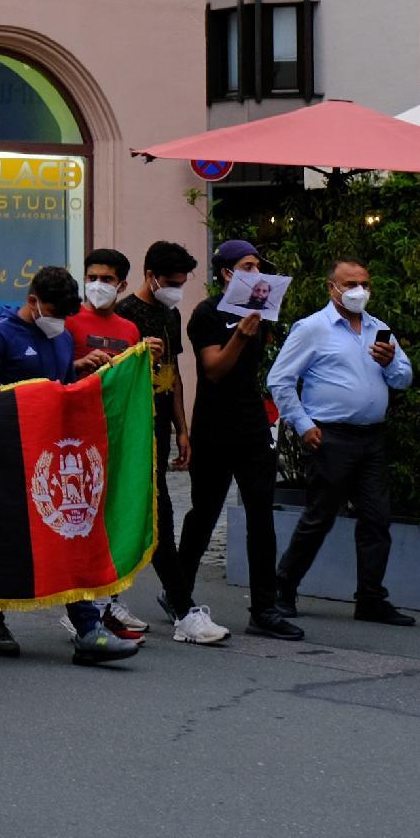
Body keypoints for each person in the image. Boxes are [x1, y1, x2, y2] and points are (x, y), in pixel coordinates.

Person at [0, 264, 135, 666]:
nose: (60, 323)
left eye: (65, 316)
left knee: (69, 532)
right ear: (33, 302)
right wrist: (38, 395)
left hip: (53, 455)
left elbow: (63, 386)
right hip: (8, 455)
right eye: (55, 313)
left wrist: (84, 376)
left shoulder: (59, 337)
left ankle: (89, 627)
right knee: (5, 540)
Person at [154, 239, 297, 645]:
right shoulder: (205, 314)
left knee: (260, 513)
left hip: (252, 423)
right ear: (228, 273)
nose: (256, 273)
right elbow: (214, 369)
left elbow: (256, 363)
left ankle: (264, 608)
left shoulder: (261, 311)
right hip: (215, 426)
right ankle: (178, 590)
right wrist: (240, 335)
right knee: (204, 512)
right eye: (248, 266)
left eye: (259, 265)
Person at [267, 259, 416, 627]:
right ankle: (282, 589)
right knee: (319, 517)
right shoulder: (312, 328)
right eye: (349, 284)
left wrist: (392, 361)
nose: (358, 291)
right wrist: (303, 425)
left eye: (364, 284)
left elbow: (403, 380)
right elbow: (280, 380)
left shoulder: (379, 329)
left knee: (377, 519)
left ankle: (370, 598)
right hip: (330, 436)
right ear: (331, 287)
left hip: (371, 438)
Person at [118, 240, 216, 643]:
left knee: (157, 513)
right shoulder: (125, 315)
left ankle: (172, 603)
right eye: (171, 282)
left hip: (159, 424)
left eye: (181, 282)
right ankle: (180, 607)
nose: (177, 289)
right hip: (130, 426)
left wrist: (181, 427)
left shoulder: (171, 314)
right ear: (150, 276)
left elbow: (173, 375)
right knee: (155, 513)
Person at [70, 251, 150, 646]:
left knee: (112, 517)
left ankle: (106, 603)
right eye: (91, 276)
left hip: (116, 434)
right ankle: (81, 609)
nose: (97, 284)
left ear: (121, 285)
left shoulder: (129, 329)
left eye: (106, 278)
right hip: (77, 437)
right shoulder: (68, 321)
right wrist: (81, 363)